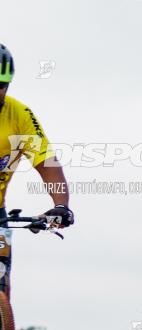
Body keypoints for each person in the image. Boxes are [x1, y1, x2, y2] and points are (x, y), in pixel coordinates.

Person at [0, 44, 74, 299]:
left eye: (1, 84)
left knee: (1, 282)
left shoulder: (19, 115)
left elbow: (47, 164)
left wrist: (61, 207)